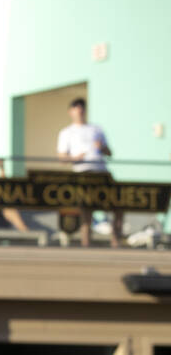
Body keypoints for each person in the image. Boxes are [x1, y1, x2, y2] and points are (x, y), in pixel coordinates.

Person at [56, 97, 116, 247]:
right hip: (82, 172)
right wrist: (74, 158)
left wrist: (101, 147)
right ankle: (86, 244)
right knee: (86, 209)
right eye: (77, 107)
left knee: (116, 203)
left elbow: (109, 152)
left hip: (101, 171)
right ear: (71, 111)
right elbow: (62, 157)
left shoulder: (97, 129)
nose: (80, 110)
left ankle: (116, 242)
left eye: (82, 107)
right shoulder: (67, 132)